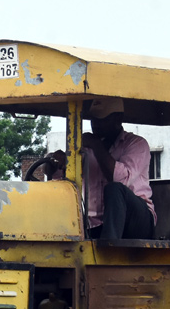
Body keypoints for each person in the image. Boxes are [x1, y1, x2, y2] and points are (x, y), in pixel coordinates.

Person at [43, 98, 155, 240]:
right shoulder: (85, 149)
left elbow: (120, 180)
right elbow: (58, 175)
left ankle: (109, 250)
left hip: (136, 222)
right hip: (97, 224)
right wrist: (54, 160)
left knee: (114, 189)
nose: (96, 124)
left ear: (118, 118)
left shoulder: (137, 144)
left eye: (102, 119)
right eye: (93, 119)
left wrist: (96, 145)